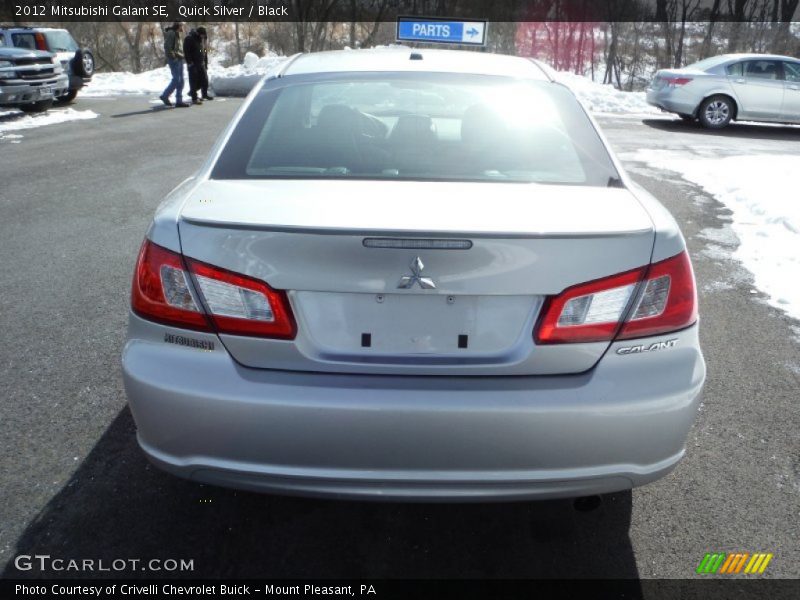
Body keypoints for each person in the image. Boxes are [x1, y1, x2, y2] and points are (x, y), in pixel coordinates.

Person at [160, 22, 189, 108]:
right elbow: (167, 47)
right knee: (176, 79)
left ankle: (179, 101)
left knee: (181, 81)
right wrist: (173, 56)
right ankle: (165, 95)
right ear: (178, 25)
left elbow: (178, 47)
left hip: (179, 58)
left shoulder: (177, 34)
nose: (182, 27)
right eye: (181, 25)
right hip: (174, 59)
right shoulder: (171, 33)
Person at [183, 27, 212, 105]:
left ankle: (204, 94)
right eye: (202, 36)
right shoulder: (189, 38)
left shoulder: (200, 40)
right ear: (199, 34)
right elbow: (187, 52)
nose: (203, 37)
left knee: (204, 80)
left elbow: (202, 51)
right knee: (193, 81)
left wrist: (205, 62)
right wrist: (190, 62)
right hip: (193, 63)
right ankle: (194, 98)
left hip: (200, 63)